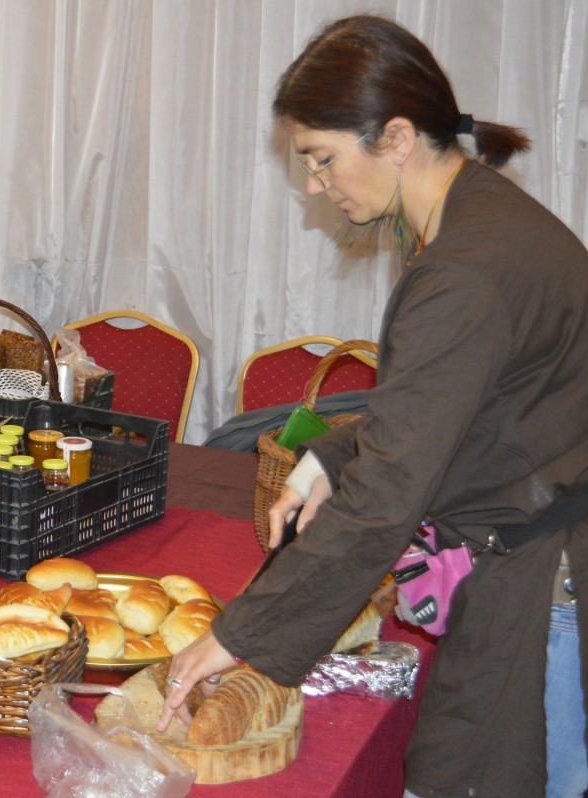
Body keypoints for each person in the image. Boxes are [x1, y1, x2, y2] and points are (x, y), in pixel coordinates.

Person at [158, 15, 588, 798]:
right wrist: (332, 453)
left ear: (395, 138)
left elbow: (385, 499)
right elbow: (459, 405)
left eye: (323, 160)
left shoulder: (465, 269)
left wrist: (239, 632)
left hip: (543, 587)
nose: (315, 186)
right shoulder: (482, 214)